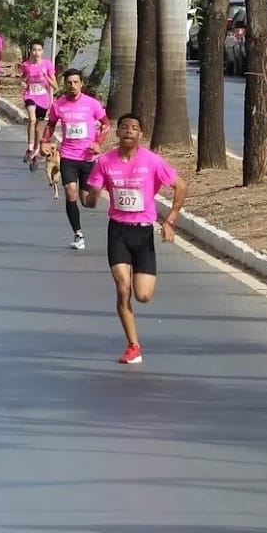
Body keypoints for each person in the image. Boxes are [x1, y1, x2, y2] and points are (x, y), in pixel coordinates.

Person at [81, 112, 188, 364]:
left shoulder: (152, 161)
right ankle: (133, 345)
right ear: (118, 132)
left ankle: (134, 340)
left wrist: (170, 219)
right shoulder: (104, 162)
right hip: (118, 230)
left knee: (143, 295)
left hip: (143, 232)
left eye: (134, 128)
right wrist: (93, 195)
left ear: (140, 134)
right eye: (125, 127)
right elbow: (90, 201)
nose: (129, 131)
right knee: (123, 287)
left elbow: (181, 186)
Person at [39, 69, 111, 250]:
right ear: (65, 85)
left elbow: (106, 124)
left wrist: (98, 142)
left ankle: (96, 191)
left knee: (87, 202)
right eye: (69, 83)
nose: (72, 86)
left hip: (88, 157)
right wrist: (44, 142)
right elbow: (50, 125)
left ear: (81, 84)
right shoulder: (58, 105)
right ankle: (78, 234)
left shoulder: (92, 104)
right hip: (68, 156)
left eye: (76, 82)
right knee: (70, 191)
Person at [19, 39, 57, 166]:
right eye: (34, 50)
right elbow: (23, 79)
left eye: (39, 50)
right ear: (31, 51)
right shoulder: (26, 65)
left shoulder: (47, 65)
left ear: (42, 52)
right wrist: (23, 83)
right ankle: (30, 148)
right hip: (30, 96)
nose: (36, 52)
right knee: (32, 119)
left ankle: (35, 150)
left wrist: (46, 77)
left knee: (38, 129)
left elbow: (55, 86)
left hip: (43, 99)